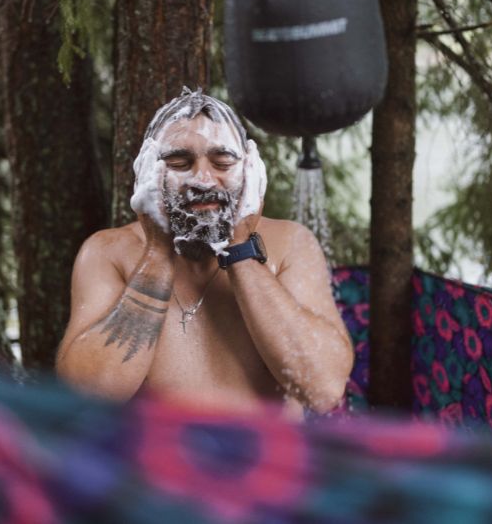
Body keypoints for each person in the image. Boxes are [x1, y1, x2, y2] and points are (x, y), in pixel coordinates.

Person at [55, 88, 353, 417]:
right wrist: (158, 252)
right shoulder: (109, 253)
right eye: (180, 162)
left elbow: (323, 390)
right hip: (149, 467)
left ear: (251, 170)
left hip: (266, 465)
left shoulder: (290, 244)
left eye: (222, 161)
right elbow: (87, 396)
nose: (203, 179)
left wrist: (239, 248)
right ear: (148, 173)